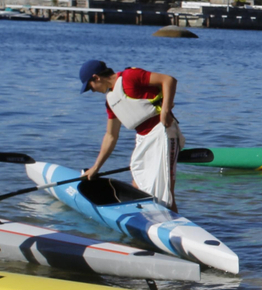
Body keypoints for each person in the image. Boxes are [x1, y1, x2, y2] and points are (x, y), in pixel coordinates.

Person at [79, 59, 185, 210]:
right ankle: (143, 219)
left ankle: (173, 226)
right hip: (142, 139)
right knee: (137, 185)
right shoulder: (111, 100)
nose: (93, 91)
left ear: (96, 77)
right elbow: (111, 135)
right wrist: (96, 167)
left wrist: (166, 110)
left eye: (90, 87)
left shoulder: (130, 76)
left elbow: (168, 80)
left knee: (165, 193)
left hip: (162, 133)